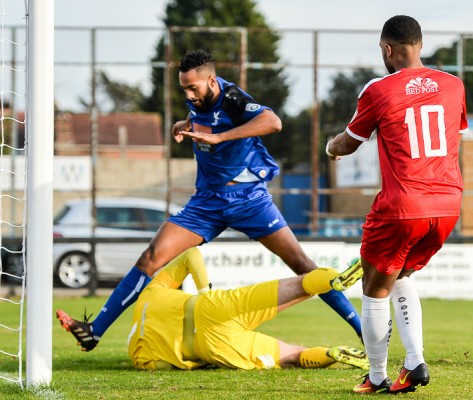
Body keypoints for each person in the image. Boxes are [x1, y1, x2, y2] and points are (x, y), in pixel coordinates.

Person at [56, 49, 363, 352]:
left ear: (212, 80)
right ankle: (94, 331)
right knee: (150, 258)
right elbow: (204, 117)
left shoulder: (232, 98)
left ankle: (364, 330)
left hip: (248, 200)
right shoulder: (198, 101)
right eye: (183, 88)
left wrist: (220, 138)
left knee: (303, 265)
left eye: (193, 87)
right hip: (206, 203)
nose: (188, 94)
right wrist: (185, 124)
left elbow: (273, 122)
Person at [327, 15, 468, 394]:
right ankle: (415, 361)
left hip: (404, 204)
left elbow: (348, 142)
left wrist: (330, 147)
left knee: (375, 287)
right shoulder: (454, 85)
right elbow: (455, 139)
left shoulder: (379, 89)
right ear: (420, 44)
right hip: (448, 203)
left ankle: (376, 376)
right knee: (402, 275)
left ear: (388, 49)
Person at [58, 248, 368, 371]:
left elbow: (164, 368)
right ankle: (336, 278)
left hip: (211, 348)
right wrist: (205, 292)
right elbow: (192, 253)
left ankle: (331, 353)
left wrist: (197, 362)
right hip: (210, 307)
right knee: (301, 286)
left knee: (288, 356)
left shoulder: (141, 356)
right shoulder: (150, 294)